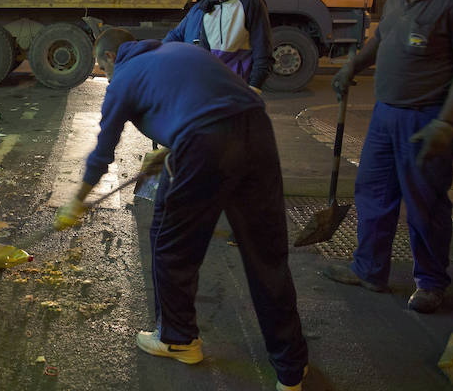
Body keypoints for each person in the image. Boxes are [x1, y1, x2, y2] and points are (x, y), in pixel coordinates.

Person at [55, 28, 308, 391]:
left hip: (204, 141)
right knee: (266, 256)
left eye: (102, 66)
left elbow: (103, 152)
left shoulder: (123, 77)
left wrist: (76, 201)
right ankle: (291, 369)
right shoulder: (178, 52)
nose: (105, 74)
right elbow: (209, 102)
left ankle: (178, 338)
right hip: (256, 129)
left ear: (111, 57)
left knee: (170, 243)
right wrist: (174, 147)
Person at [324, 0, 453, 314]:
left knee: (425, 204)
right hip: (385, 116)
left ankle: (431, 282)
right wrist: (352, 67)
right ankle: (370, 270)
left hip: (427, 117)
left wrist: (447, 122)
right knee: (374, 195)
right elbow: (380, 40)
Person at [164, 0, 273, 93]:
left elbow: (263, 51)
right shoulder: (204, 7)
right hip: (210, 90)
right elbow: (196, 50)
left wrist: (254, 88)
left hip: (239, 90)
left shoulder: (250, 3)